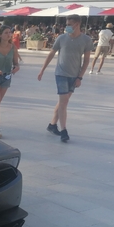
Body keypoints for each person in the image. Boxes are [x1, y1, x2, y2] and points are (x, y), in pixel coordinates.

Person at [37, 14, 92, 143]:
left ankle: (52, 125)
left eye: (69, 24)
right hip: (61, 73)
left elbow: (86, 61)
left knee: (63, 102)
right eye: (66, 24)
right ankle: (64, 130)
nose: (67, 27)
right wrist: (42, 70)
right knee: (64, 101)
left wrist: (80, 77)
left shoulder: (86, 40)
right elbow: (51, 54)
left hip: (74, 75)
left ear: (77, 24)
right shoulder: (61, 38)